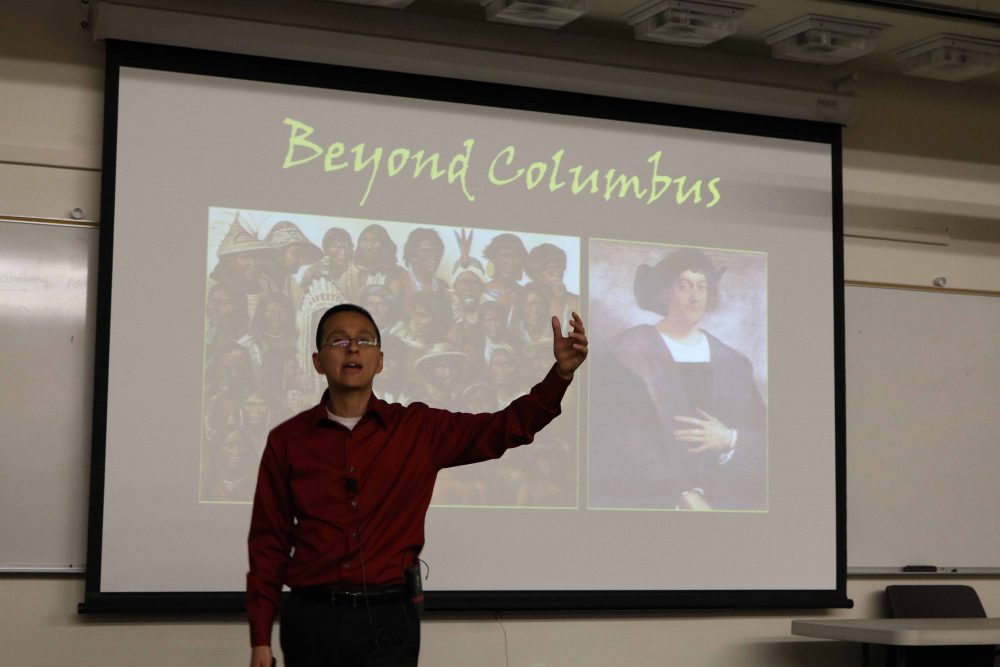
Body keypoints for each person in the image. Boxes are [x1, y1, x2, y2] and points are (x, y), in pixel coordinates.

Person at [246, 303, 587, 667]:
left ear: (380, 360)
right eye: (338, 340)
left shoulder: (417, 429)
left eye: (364, 339)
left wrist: (561, 375)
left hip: (388, 621)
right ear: (317, 361)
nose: (353, 348)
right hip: (311, 619)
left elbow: (505, 427)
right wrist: (260, 640)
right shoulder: (288, 440)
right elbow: (269, 542)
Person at [589, 247, 765, 512]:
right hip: (653, 498)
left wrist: (729, 439)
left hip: (726, 501)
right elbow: (617, 435)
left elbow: (764, 435)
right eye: (684, 286)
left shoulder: (733, 362)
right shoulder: (627, 352)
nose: (695, 296)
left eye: (702, 287)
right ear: (665, 291)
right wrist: (681, 493)